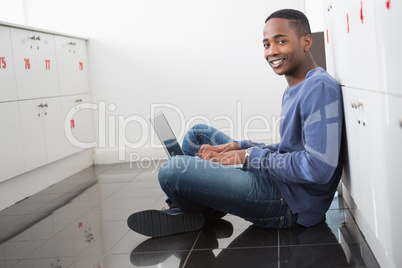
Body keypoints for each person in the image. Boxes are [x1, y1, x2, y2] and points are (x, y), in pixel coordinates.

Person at [127, 8, 344, 237]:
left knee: (171, 170)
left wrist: (249, 155)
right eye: (266, 44)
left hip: (290, 204)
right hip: (280, 181)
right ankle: (202, 206)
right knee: (198, 134)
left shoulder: (318, 88)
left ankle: (191, 209)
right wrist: (242, 146)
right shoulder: (298, 85)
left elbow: (318, 168)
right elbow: (290, 149)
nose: (271, 51)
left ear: (306, 42)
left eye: (281, 41)